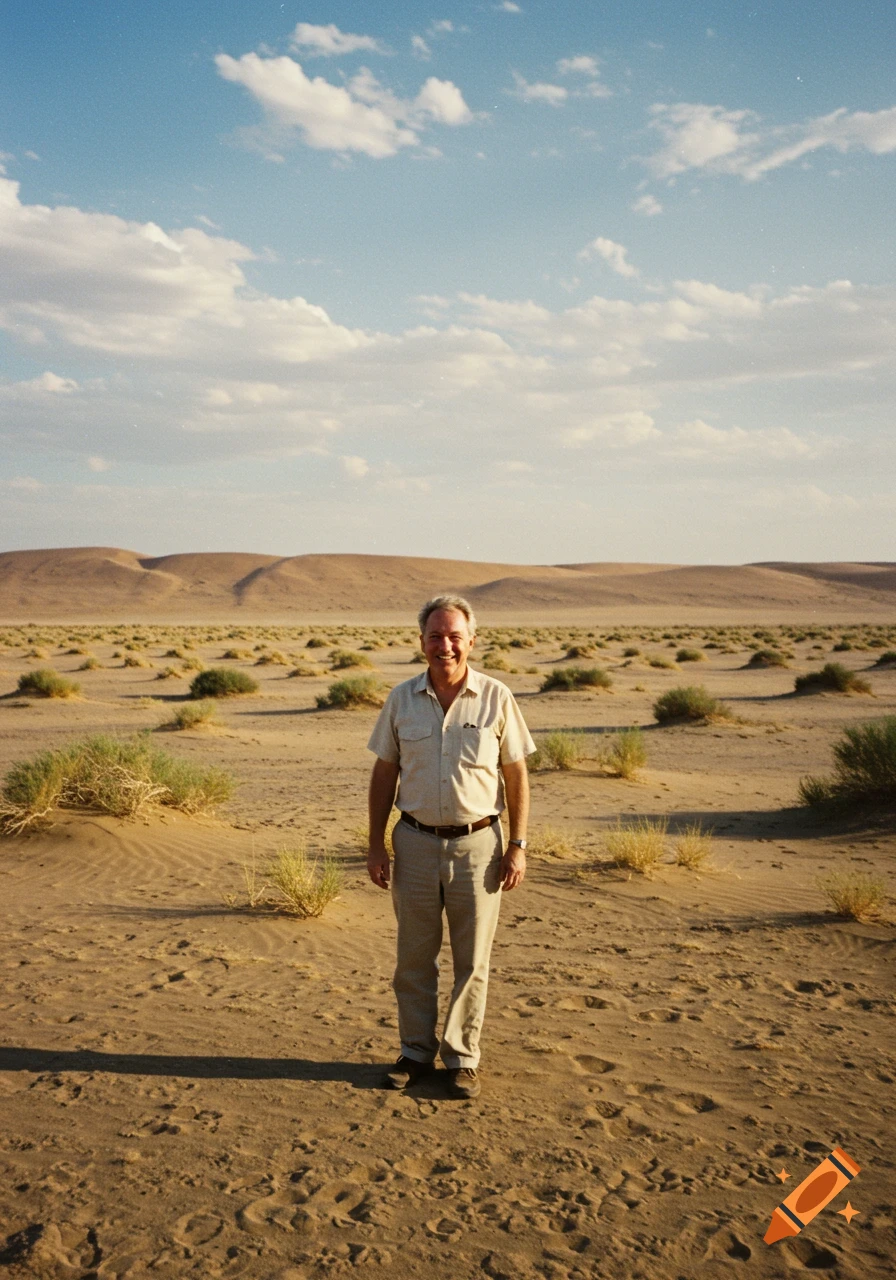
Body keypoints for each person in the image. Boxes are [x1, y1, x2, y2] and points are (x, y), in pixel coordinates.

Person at [366, 594, 536, 1099]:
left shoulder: (496, 697)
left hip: (480, 846)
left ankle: (462, 1058)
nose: (445, 645)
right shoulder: (401, 699)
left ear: (471, 641)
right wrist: (376, 845)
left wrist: (519, 845)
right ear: (421, 642)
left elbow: (516, 774)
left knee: (472, 959)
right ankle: (415, 1053)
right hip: (414, 844)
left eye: (454, 636)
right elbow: (384, 772)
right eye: (435, 636)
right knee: (413, 958)